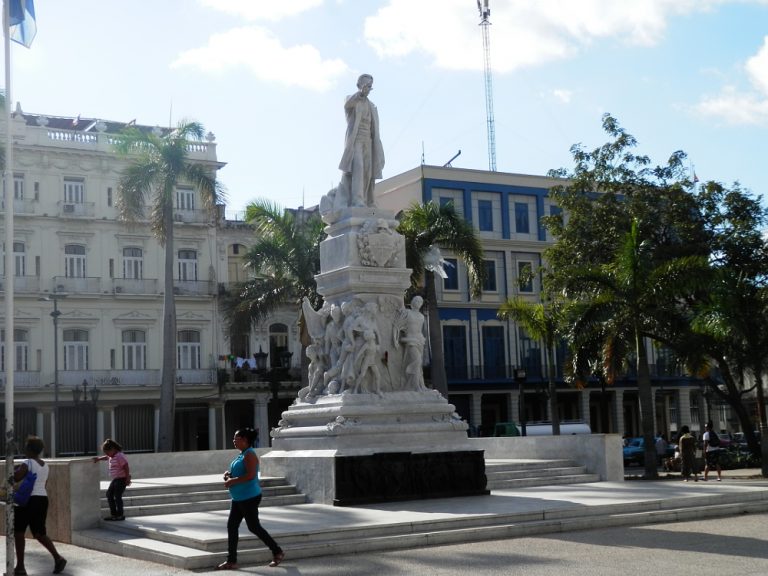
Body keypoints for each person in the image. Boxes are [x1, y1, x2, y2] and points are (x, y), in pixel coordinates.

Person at [217, 428, 284, 570]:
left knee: (253, 527)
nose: (234, 440)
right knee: (232, 526)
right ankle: (231, 561)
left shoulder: (250, 455)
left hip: (249, 497)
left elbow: (251, 475)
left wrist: (232, 481)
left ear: (245, 440)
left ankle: (277, 551)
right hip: (238, 498)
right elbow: (240, 472)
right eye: (234, 438)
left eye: (237, 438)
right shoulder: (241, 455)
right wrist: (229, 474)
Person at [12, 435, 68, 575]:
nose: (24, 449)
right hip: (42, 499)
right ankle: (58, 558)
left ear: (30, 449)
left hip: (27, 501)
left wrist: (14, 472)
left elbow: (16, 477)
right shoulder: (45, 465)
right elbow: (44, 484)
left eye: (26, 447)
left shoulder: (27, 463)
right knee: (39, 533)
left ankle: (20, 567)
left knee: (19, 532)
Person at [338, 73, 385, 208]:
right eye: (365, 85)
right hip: (356, 140)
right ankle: (357, 201)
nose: (368, 89)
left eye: (370, 86)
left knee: (368, 171)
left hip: (369, 141)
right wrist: (360, 93)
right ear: (359, 85)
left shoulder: (373, 106)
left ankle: (368, 200)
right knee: (358, 167)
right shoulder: (352, 100)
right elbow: (348, 104)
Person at [92, 438, 131, 520]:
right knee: (109, 494)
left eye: (107, 452)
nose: (107, 454)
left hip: (121, 479)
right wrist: (98, 459)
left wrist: (127, 478)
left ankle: (120, 515)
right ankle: (114, 514)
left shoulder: (119, 456)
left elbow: (126, 466)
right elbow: (106, 457)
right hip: (116, 479)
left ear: (113, 449)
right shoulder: (112, 456)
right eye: (105, 453)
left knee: (117, 496)